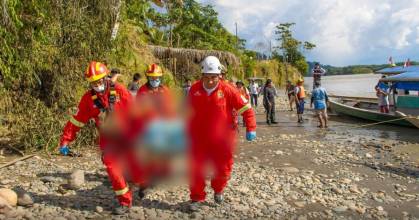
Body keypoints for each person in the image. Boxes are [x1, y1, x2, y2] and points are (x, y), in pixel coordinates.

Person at [58, 61, 141, 214]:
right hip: (108, 140)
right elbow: (77, 120)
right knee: (113, 170)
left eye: (100, 80)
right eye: (93, 82)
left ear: (106, 78)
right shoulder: (88, 100)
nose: (97, 84)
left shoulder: (121, 91)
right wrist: (65, 140)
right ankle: (125, 202)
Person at [187, 56, 257, 211]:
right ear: (202, 75)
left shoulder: (228, 89)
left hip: (223, 139)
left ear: (219, 75)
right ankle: (196, 198)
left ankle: (218, 191)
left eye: (214, 77)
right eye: (207, 77)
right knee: (196, 168)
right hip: (199, 138)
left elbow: (247, 109)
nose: (210, 81)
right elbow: (187, 111)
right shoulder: (194, 89)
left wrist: (251, 128)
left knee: (223, 168)